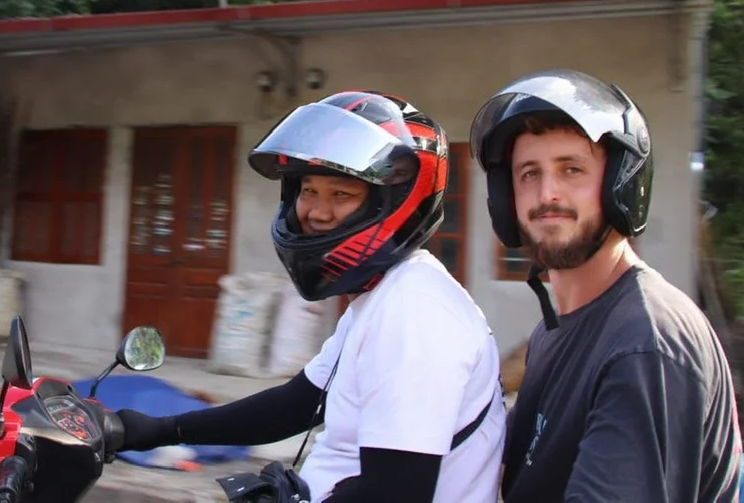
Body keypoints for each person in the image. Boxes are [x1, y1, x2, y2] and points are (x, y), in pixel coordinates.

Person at [115, 90, 506, 502]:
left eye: (341, 194)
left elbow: (395, 492)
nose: (316, 213)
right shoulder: (384, 296)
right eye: (308, 191)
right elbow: (298, 404)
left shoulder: (415, 315)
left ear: (392, 203)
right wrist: (157, 430)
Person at [467, 68, 741, 502]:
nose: (547, 194)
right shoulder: (553, 335)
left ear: (621, 187)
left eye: (571, 169)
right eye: (528, 174)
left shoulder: (645, 343)